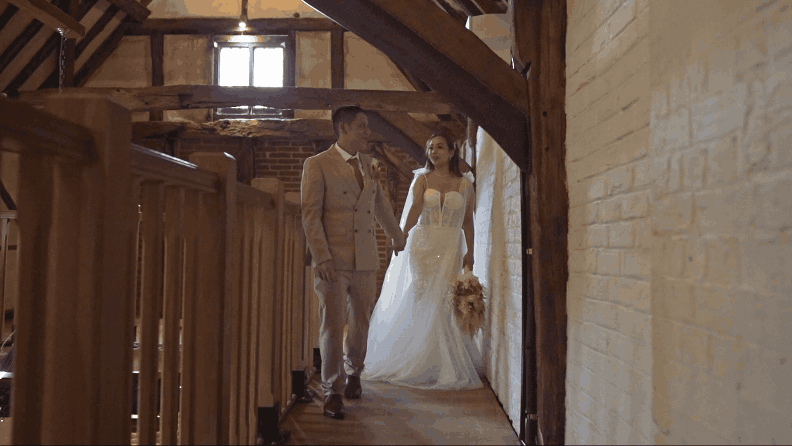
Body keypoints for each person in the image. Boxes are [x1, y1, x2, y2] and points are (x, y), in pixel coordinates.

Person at [301, 106, 406, 420]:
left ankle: (354, 373)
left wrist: (397, 237)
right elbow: (310, 214)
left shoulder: (369, 164)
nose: (367, 132)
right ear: (343, 128)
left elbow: (380, 204)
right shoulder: (317, 164)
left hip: (366, 257)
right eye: (362, 126)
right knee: (333, 326)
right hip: (333, 259)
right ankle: (332, 391)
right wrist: (321, 256)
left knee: (361, 322)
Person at [362, 128, 484, 390]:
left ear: (452, 152)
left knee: (444, 298)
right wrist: (401, 236)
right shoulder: (422, 179)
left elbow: (467, 221)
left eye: (439, 147)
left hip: (450, 245)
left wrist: (471, 252)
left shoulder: (465, 184)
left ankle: (440, 363)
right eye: (430, 148)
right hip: (423, 244)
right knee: (422, 295)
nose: (434, 152)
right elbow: (415, 209)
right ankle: (414, 358)